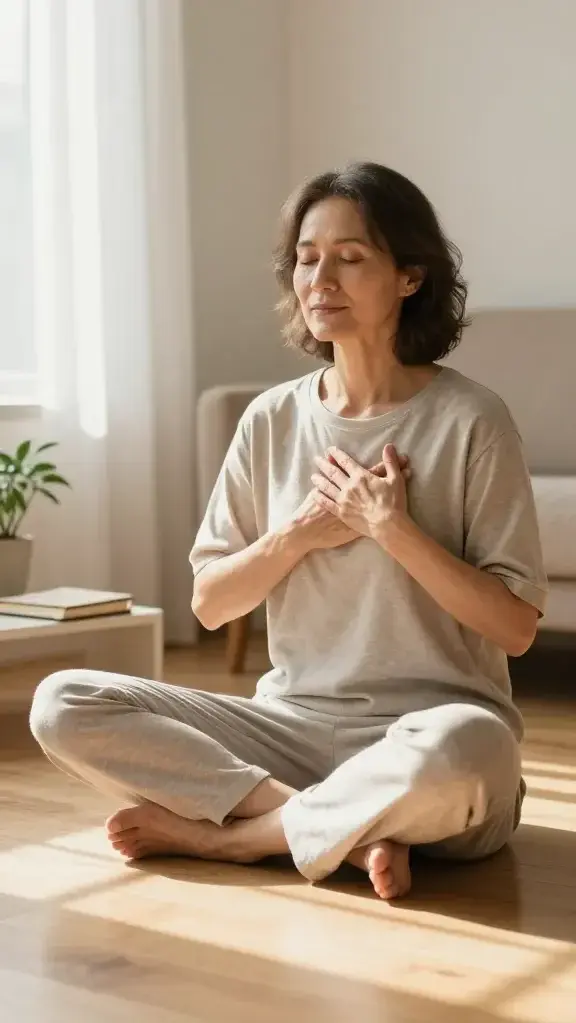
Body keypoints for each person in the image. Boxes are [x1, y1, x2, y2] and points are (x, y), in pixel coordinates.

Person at [30, 162, 547, 900]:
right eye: (307, 258)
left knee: (472, 750)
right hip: (288, 735)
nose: (319, 279)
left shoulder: (472, 420)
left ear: (409, 277)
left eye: (350, 257)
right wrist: (297, 536)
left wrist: (391, 529)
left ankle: (243, 838)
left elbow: (516, 627)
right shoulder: (271, 419)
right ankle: (331, 827)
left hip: (427, 736)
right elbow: (210, 605)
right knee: (64, 703)